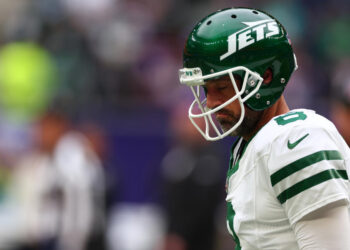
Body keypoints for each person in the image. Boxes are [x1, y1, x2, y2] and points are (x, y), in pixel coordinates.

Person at [178, 7, 350, 250]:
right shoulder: (252, 145)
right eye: (207, 89)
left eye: (223, 87)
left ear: (266, 77)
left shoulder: (296, 140)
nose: (212, 102)